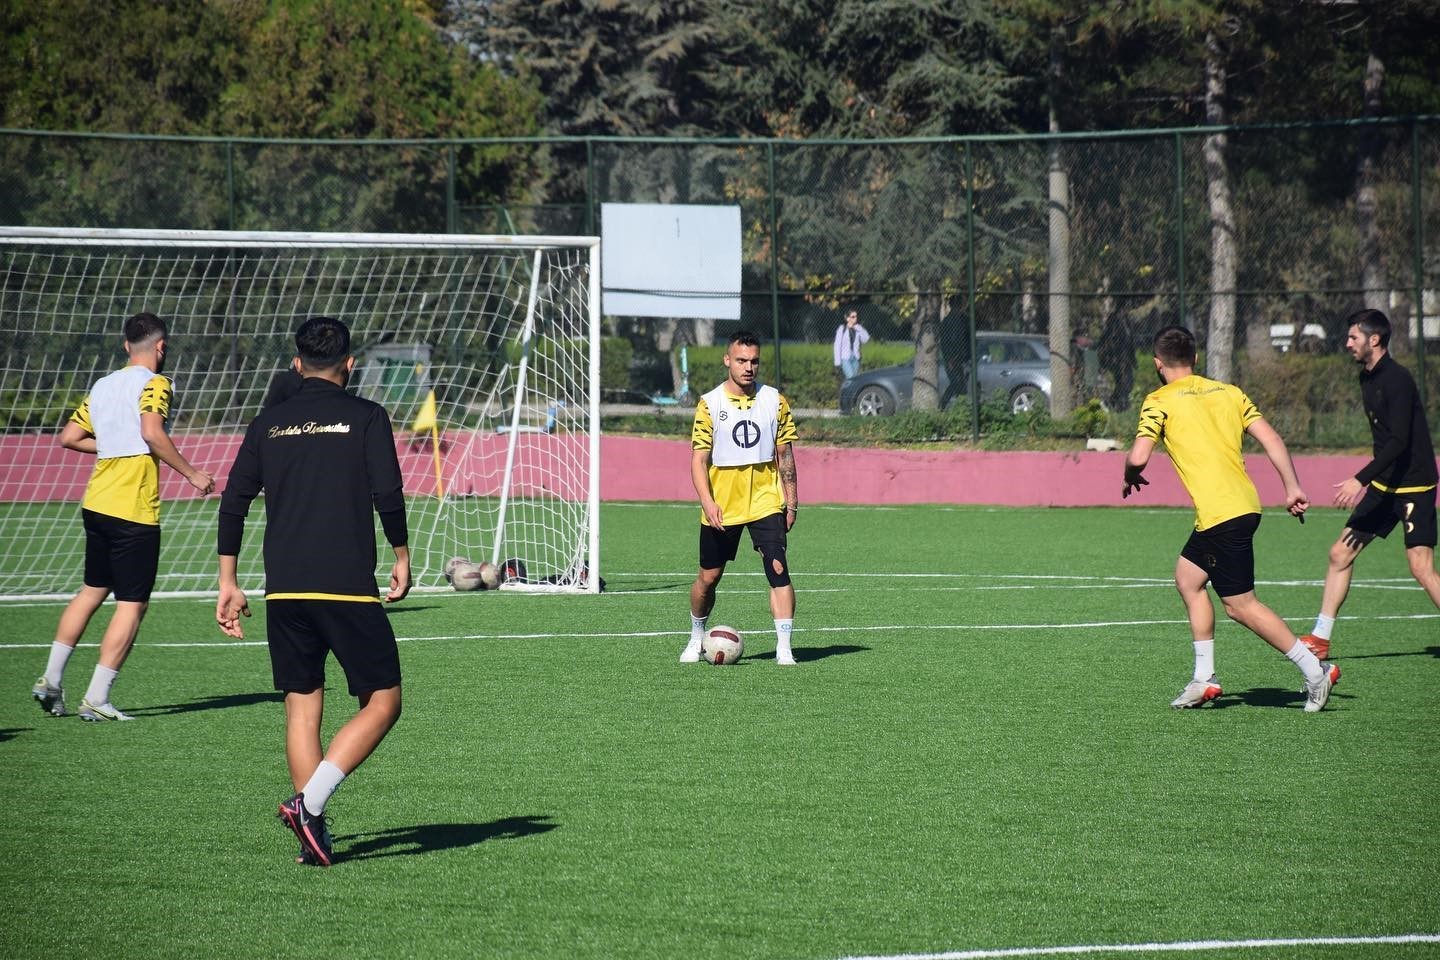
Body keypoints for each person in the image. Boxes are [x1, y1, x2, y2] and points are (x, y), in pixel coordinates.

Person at [216, 316, 411, 867]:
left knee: (303, 709)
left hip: (284, 590)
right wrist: (400, 554)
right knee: (384, 699)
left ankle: (311, 834)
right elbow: (388, 494)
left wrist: (228, 582)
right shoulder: (367, 416)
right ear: (349, 365)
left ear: (296, 365)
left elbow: (235, 503)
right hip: (345, 585)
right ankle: (310, 807)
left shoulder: (268, 423)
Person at [1122, 325, 1340, 711]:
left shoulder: (1159, 399)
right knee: (1188, 579)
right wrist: (1292, 487)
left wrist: (1130, 474)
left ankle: (1315, 671)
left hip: (1223, 514)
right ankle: (1203, 678)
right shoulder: (1229, 392)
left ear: (1158, 364)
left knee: (1241, 605)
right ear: (1195, 359)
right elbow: (1272, 438)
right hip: (1238, 507)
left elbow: (1139, 456)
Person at [30, 312, 214, 721]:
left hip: (96, 501)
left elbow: (70, 437)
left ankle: (51, 680)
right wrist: (192, 473)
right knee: (132, 604)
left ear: (126, 345)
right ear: (161, 347)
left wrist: (115, 442)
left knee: (92, 589)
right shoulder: (157, 382)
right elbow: (152, 431)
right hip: (132, 508)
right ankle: (97, 697)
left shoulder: (104, 384)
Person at [1298, 309, 1439, 659]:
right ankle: (1320, 638)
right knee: (1339, 553)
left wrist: (1359, 479)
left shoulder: (1398, 380)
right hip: (1385, 485)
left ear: (1374, 339)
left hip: (1413, 486)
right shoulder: (1366, 378)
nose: (1347, 344)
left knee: (1420, 567)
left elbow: (1399, 442)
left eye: (1353, 338)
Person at [681, 330, 800, 666]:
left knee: (778, 567)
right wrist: (707, 501)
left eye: (754, 361)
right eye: (741, 361)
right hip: (723, 505)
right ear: (727, 360)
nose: (749, 367)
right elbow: (698, 460)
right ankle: (695, 636)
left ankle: (784, 648)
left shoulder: (775, 401)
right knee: (708, 578)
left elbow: (786, 456)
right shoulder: (709, 404)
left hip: (765, 500)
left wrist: (791, 502)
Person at [832, 308, 870, 381]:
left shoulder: (858, 328)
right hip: (845, 358)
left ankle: (851, 392)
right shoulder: (842, 329)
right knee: (851, 378)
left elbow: (866, 339)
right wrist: (837, 362)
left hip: (856, 357)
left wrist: (859, 328)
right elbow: (837, 345)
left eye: (856, 316)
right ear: (847, 318)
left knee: (855, 379)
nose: (855, 318)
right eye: (853, 317)